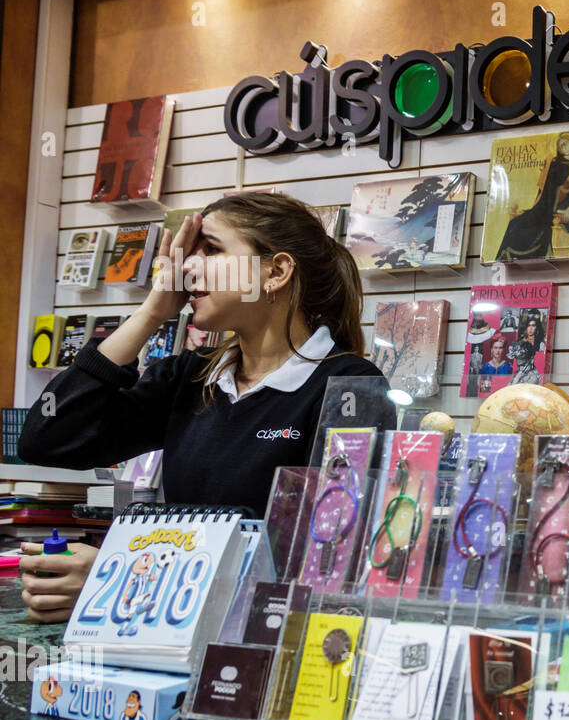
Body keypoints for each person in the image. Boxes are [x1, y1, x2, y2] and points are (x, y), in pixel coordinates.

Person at [16, 192, 393, 622]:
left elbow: (326, 562)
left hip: (263, 653)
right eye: (186, 257)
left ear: (277, 271)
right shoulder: (189, 376)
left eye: (211, 250)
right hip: (166, 632)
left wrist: (118, 577)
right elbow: (45, 439)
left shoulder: (349, 386)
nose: (185, 268)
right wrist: (151, 313)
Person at [492, 130, 569, 261]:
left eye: (566, 143)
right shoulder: (555, 163)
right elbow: (548, 192)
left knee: (537, 225)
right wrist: (533, 208)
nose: (563, 147)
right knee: (516, 222)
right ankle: (505, 255)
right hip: (547, 206)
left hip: (567, 208)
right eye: (560, 144)